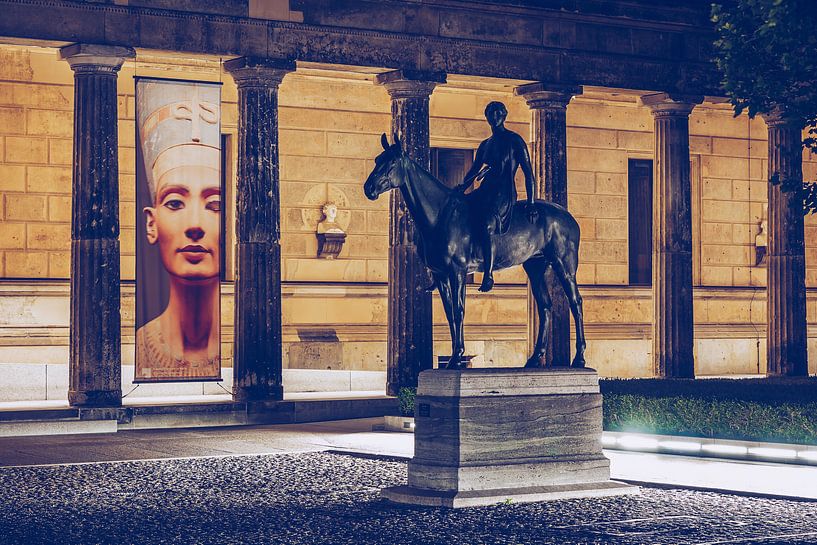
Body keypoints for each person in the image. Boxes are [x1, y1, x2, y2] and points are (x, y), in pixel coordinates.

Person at [135, 80, 221, 380]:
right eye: (174, 202)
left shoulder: (246, 342)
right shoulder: (139, 345)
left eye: (215, 205)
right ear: (151, 222)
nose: (195, 225)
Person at [456, 101, 537, 292]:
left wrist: (532, 203)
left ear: (504, 115)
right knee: (458, 212)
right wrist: (461, 189)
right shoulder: (486, 145)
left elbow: (528, 173)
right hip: (486, 190)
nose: (493, 117)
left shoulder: (514, 140)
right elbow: (473, 172)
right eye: (490, 113)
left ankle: (488, 274)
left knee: (486, 223)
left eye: (497, 113)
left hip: (504, 193)